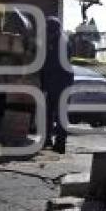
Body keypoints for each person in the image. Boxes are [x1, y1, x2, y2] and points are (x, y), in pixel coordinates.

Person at [40, 16, 74, 153]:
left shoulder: (60, 43)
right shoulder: (58, 40)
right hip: (58, 82)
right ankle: (48, 141)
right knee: (49, 113)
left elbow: (50, 64)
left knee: (58, 115)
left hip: (60, 83)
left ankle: (59, 144)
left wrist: (43, 81)